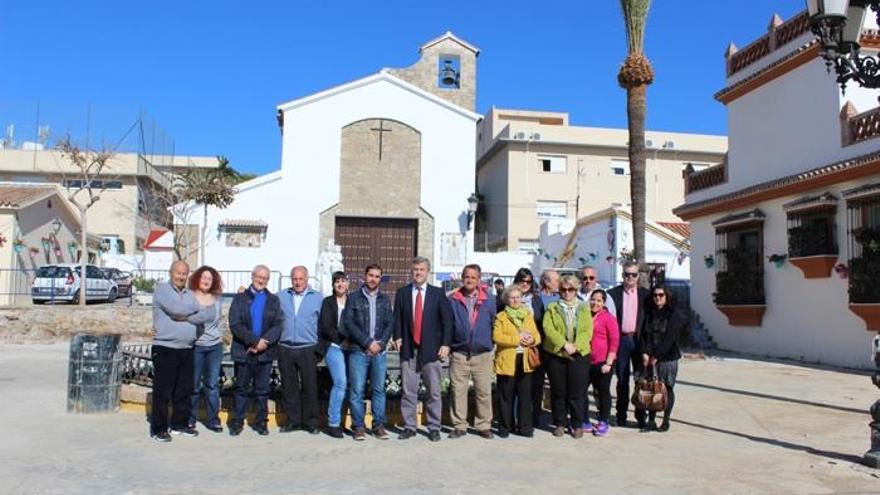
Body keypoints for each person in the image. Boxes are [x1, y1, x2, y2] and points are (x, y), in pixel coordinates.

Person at [150, 260, 217, 442]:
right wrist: (192, 313)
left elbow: (208, 315)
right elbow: (176, 309)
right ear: (171, 273)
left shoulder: (189, 294)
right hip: (165, 347)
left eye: (184, 273)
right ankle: (159, 429)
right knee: (163, 391)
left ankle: (179, 424)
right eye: (178, 273)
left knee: (183, 390)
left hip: (187, 348)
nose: (181, 277)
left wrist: (185, 315)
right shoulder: (162, 290)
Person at [393, 256, 453, 442]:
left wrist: (446, 344)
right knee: (409, 392)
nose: (418, 273)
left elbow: (447, 322)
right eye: (415, 270)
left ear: (427, 272)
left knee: (434, 392)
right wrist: (397, 337)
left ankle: (434, 427)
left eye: (421, 270)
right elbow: (397, 319)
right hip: (409, 350)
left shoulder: (437, 293)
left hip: (432, 350)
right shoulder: (402, 293)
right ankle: (410, 426)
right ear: (411, 272)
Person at [228, 264, 283, 436]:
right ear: (253, 276)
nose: (261, 280)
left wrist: (264, 342)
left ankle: (261, 423)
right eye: (259, 277)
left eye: (265, 278)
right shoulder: (240, 298)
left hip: (264, 352)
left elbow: (278, 324)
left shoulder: (273, 300)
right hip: (244, 350)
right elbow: (235, 324)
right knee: (241, 389)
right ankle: (237, 422)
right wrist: (253, 341)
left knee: (262, 390)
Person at [343, 264, 394, 441]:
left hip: (379, 352)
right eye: (370, 275)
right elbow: (348, 323)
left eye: (377, 276)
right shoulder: (353, 298)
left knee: (379, 389)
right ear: (365, 276)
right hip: (359, 350)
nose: (373, 279)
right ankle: (358, 426)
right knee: (357, 390)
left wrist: (380, 344)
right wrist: (367, 342)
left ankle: (378, 425)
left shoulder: (385, 299)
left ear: (381, 278)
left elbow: (390, 323)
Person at [447, 264, 496, 439]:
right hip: (459, 353)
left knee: (483, 392)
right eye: (466, 277)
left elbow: (494, 323)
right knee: (458, 391)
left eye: (473, 277)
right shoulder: (453, 299)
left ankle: (483, 425)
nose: (469, 280)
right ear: (462, 278)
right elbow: (448, 325)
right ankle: (460, 425)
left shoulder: (489, 300)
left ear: (479, 280)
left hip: (482, 354)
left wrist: (489, 343)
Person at [543, 274, 593, 438]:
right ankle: (559, 422)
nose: (567, 293)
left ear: (576, 290)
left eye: (570, 289)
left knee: (577, 391)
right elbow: (548, 329)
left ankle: (577, 423)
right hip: (557, 353)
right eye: (563, 289)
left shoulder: (584, 308)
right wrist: (564, 344)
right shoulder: (552, 307)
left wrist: (576, 346)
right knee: (558, 391)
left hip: (579, 354)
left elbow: (587, 331)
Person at [277, 265, 324, 434]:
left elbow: (322, 325)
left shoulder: (318, 298)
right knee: (289, 387)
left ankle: (311, 422)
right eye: (294, 279)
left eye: (300, 279)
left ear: (307, 278)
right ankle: (293, 420)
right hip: (286, 347)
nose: (297, 282)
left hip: (308, 348)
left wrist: (320, 349)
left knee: (310, 387)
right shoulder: (281, 296)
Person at [606, 261, 650, 428]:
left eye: (633, 274)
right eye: (627, 274)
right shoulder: (613, 294)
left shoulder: (646, 295)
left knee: (641, 380)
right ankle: (621, 415)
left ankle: (640, 416)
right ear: (622, 275)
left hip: (639, 341)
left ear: (638, 276)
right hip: (621, 340)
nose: (630, 277)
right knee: (622, 380)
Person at [493, 285, 541, 438]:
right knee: (506, 396)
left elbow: (537, 335)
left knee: (525, 396)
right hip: (507, 360)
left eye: (518, 297)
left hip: (525, 360)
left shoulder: (527, 315)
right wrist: (517, 339)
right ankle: (505, 427)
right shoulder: (500, 317)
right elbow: (497, 337)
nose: (515, 300)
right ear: (506, 299)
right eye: (512, 297)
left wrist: (532, 339)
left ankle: (525, 427)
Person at [639, 284, 684, 432]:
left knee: (667, 389)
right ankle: (651, 420)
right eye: (655, 295)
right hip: (650, 357)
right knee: (652, 388)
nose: (657, 298)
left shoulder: (673, 315)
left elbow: (670, 338)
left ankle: (666, 420)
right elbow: (643, 335)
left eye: (661, 295)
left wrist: (656, 356)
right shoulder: (649, 313)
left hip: (667, 358)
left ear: (666, 296)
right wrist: (645, 352)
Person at [510, 267, 548, 429]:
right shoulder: (508, 297)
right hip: (513, 348)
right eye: (522, 280)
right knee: (514, 387)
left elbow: (542, 324)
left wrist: (534, 340)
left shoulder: (536, 300)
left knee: (535, 385)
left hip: (534, 349)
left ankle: (534, 418)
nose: (525, 284)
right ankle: (513, 420)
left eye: (528, 281)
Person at [188, 265, 224, 434]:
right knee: (193, 385)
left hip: (214, 347)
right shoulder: (189, 297)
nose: (206, 281)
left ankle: (213, 420)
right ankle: (190, 419)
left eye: (209, 278)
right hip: (196, 346)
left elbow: (219, 322)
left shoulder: (217, 299)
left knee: (212, 385)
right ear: (198, 278)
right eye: (204, 278)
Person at [318, 271, 350, 439]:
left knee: (350, 384)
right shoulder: (328, 302)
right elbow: (326, 326)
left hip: (351, 348)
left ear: (348, 284)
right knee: (340, 382)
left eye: (343, 281)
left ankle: (345, 422)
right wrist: (341, 340)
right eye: (337, 281)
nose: (340, 284)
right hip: (334, 346)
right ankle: (333, 423)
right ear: (333, 285)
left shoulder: (353, 301)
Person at [586, 289, 619, 437]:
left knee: (602, 392)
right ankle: (584, 420)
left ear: (604, 303)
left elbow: (614, 341)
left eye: (599, 300)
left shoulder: (608, 318)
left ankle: (604, 421)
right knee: (581, 391)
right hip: (586, 362)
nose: (595, 303)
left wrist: (609, 363)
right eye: (593, 299)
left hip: (603, 363)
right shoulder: (585, 315)